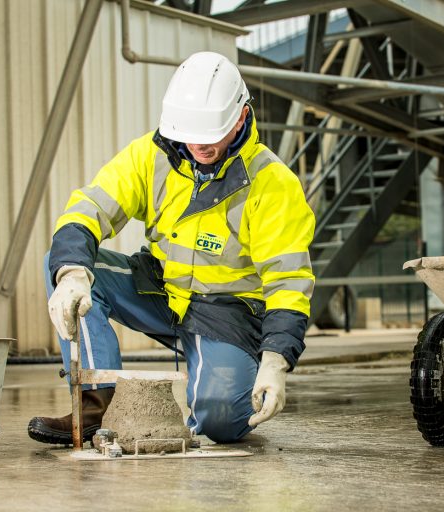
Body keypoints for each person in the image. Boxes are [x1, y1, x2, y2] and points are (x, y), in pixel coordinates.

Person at [27, 51, 315, 445]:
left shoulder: (273, 183)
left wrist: (275, 361)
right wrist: (72, 274)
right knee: (61, 264)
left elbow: (288, 282)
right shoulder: (151, 154)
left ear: (242, 117)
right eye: (191, 131)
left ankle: (219, 388)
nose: (199, 144)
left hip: (227, 311)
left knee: (222, 420)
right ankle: (97, 404)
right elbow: (90, 207)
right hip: (160, 289)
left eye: (212, 132)